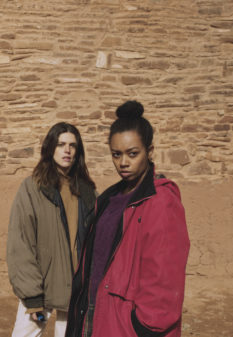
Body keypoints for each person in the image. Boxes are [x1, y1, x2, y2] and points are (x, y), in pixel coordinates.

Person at [65, 101, 190, 337]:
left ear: (150, 152)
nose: (123, 162)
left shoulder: (161, 201)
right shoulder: (109, 198)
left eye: (133, 153)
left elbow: (164, 283)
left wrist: (141, 327)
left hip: (126, 325)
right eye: (116, 154)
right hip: (94, 312)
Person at [7, 122, 98, 337]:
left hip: (76, 291)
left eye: (73, 145)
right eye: (61, 144)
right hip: (42, 289)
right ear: (50, 148)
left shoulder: (88, 192)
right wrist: (32, 295)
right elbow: (20, 243)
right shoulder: (32, 188)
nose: (67, 150)